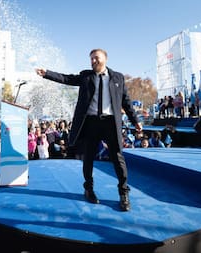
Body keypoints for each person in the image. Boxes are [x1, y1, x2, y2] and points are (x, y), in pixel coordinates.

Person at [35, 48, 142, 211]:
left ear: (105, 59)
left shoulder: (118, 78)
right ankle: (88, 189)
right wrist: (47, 73)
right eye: (91, 59)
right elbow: (67, 78)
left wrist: (135, 120)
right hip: (91, 123)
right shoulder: (86, 75)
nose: (93, 61)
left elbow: (126, 101)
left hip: (111, 123)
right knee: (89, 157)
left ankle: (123, 193)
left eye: (96, 58)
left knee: (118, 157)